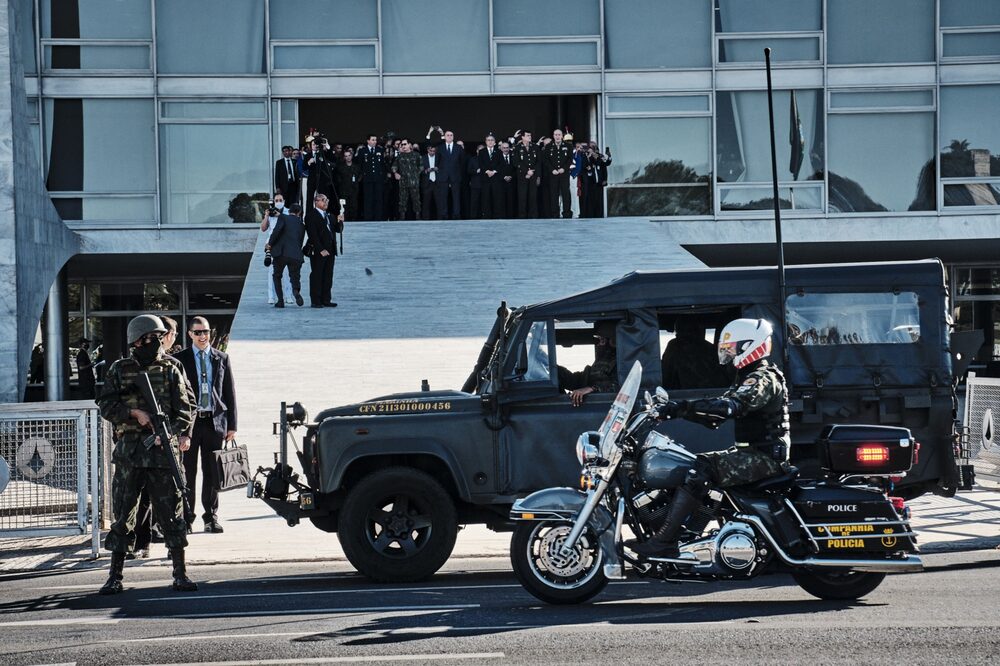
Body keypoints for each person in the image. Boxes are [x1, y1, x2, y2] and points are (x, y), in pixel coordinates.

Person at [630, 318, 789, 558]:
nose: (727, 352)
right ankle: (686, 535)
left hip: (764, 458)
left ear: (749, 346)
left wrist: (681, 408)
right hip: (751, 453)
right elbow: (714, 417)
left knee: (700, 470)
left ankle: (666, 541)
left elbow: (729, 407)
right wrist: (672, 412)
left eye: (732, 347)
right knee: (690, 464)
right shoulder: (747, 376)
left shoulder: (762, 378)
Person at [96, 314, 197, 594]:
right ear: (139, 340)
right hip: (130, 455)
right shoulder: (119, 369)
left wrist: (169, 434)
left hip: (163, 456)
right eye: (153, 338)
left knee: (172, 515)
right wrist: (134, 413)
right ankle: (114, 576)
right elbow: (105, 404)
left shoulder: (170, 368)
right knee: (123, 516)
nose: (159, 343)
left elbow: (186, 409)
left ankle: (180, 573)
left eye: (160, 338)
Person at [133, 316, 193, 559]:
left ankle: (175, 548)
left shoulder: (173, 366)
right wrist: (135, 415)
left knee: (171, 498)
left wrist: (178, 433)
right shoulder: (128, 366)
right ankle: (141, 543)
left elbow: (189, 404)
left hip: (166, 442)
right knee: (143, 498)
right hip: (139, 446)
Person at [175, 316, 238, 534]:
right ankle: (187, 517)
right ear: (190, 334)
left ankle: (211, 517)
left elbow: (229, 392)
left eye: (206, 332)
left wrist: (232, 425)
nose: (203, 336)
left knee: (213, 472)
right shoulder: (179, 359)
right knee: (187, 472)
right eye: (198, 332)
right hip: (190, 425)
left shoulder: (221, 358)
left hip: (214, 422)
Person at [556, 321, 620, 407]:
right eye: (599, 339)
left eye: (602, 339)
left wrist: (591, 389)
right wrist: (555, 369)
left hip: (604, 405)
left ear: (614, 340)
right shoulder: (604, 358)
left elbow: (620, 386)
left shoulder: (622, 361)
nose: (599, 343)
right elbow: (580, 380)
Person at [661, 317, 734, 390]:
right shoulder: (712, 349)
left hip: (685, 395)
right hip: (714, 393)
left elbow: (665, 373)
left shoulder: (674, 346)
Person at [304, 193, 344, 308]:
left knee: (328, 275)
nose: (326, 202)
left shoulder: (330, 216)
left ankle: (326, 299)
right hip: (318, 251)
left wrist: (340, 221)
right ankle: (316, 300)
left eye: (327, 200)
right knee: (317, 274)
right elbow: (313, 235)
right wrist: (320, 249)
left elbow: (337, 229)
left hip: (331, 249)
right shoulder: (311, 216)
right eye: (323, 200)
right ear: (316, 202)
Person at [266, 203, 306, 307]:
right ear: (299, 213)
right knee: (295, 277)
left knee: (277, 275)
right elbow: (300, 241)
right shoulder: (302, 225)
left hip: (281, 253)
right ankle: (296, 291)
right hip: (296, 255)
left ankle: (280, 301)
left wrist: (270, 244)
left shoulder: (283, 217)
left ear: (289, 211)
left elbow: (276, 232)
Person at [425, 126, 464, 219]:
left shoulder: (458, 148)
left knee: (456, 198)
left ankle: (456, 215)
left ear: (453, 137)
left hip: (455, 176)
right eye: (448, 135)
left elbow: (462, 162)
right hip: (443, 176)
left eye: (451, 135)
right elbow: (429, 146)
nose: (450, 136)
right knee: (443, 197)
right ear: (445, 137)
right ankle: (444, 215)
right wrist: (431, 133)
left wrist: (459, 175)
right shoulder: (440, 147)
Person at [260, 193, 293, 305]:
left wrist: (281, 215)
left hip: (286, 244)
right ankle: (271, 296)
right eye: (276, 200)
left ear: (284, 200)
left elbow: (291, 226)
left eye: (280, 200)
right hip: (272, 244)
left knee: (287, 271)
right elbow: (263, 228)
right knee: (272, 271)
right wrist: (266, 216)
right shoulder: (270, 212)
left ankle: (288, 296)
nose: (278, 202)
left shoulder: (288, 212)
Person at [543, 129, 574, 219]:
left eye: (559, 135)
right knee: (553, 195)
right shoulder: (549, 146)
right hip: (553, 175)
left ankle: (567, 213)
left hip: (564, 174)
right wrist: (552, 169)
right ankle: (555, 214)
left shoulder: (568, 146)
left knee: (566, 194)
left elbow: (570, 159)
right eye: (555, 134)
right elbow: (546, 160)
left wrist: (564, 168)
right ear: (553, 136)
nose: (557, 136)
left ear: (562, 136)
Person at [392, 138, 422, 220]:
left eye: (405, 144)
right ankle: (402, 218)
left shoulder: (416, 155)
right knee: (402, 201)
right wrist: (395, 173)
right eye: (402, 145)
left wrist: (415, 175)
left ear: (409, 145)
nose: (403, 146)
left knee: (416, 200)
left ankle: (418, 218)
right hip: (403, 182)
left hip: (414, 182)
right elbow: (394, 166)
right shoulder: (400, 156)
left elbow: (421, 166)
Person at [357, 134, 386, 220]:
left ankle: (378, 217)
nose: (375, 141)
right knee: (368, 199)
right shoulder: (362, 151)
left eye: (375, 140)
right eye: (373, 140)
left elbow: (382, 164)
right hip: (367, 179)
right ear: (368, 141)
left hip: (378, 178)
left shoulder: (380, 150)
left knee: (378, 199)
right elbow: (360, 164)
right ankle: (368, 217)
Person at [477, 134, 505, 219]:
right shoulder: (482, 152)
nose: (490, 141)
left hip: (496, 179)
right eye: (488, 140)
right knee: (486, 198)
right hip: (485, 179)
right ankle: (486, 216)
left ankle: (496, 216)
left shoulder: (499, 151)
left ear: (495, 142)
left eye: (492, 140)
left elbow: (501, 164)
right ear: (486, 142)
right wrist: (487, 171)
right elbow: (480, 164)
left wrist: (494, 171)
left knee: (496, 198)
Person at [513, 131, 540, 218]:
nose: (530, 137)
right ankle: (522, 216)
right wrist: (526, 171)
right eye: (528, 135)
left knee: (533, 197)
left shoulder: (535, 147)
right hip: (522, 176)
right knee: (522, 197)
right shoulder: (517, 148)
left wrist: (532, 172)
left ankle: (533, 216)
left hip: (533, 175)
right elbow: (516, 162)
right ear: (523, 137)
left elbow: (539, 161)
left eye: (530, 135)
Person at [334, 148, 362, 221]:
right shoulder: (341, 167)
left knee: (354, 206)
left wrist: (357, 182)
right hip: (344, 190)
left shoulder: (357, 167)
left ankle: (354, 220)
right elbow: (338, 178)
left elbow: (360, 176)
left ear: (352, 156)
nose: (348, 157)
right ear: (344, 157)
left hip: (354, 190)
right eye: (346, 156)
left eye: (349, 155)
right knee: (344, 206)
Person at [421, 144, 445, 219]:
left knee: (439, 202)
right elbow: (419, 170)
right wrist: (426, 170)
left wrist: (437, 169)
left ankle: (440, 218)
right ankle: (425, 218)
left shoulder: (439, 157)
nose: (432, 152)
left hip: (437, 182)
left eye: (434, 151)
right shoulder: (423, 158)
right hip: (427, 182)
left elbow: (443, 168)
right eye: (431, 151)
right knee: (426, 202)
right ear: (428, 150)